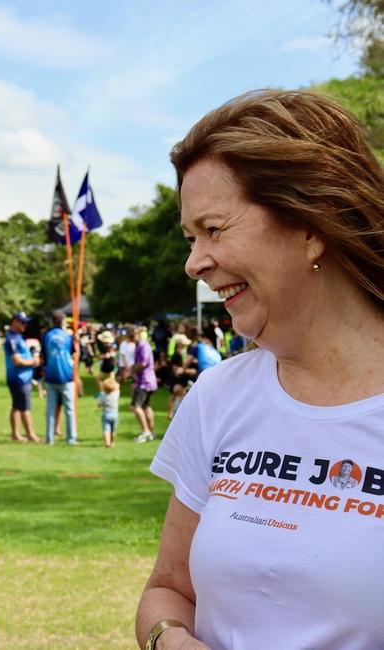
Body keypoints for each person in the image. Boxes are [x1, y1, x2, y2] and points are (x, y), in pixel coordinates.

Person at [136, 89, 384, 650]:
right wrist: (169, 640)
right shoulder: (218, 394)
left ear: (311, 224)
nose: (193, 262)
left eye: (214, 229)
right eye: (190, 237)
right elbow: (170, 589)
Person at [41, 310, 78, 445]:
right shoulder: (68, 336)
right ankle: (71, 439)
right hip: (66, 376)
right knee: (69, 409)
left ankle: (49, 438)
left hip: (51, 376)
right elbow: (73, 354)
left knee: (50, 409)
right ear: (62, 321)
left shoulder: (46, 336)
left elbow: (43, 356)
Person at [4, 311, 41, 443]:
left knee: (17, 406)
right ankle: (31, 434)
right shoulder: (12, 339)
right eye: (22, 322)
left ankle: (15, 434)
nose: (25, 325)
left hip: (21, 378)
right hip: (19, 379)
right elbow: (17, 361)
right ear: (14, 321)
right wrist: (33, 362)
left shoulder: (18, 337)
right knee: (25, 407)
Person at [130, 326, 158, 443]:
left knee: (136, 407)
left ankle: (146, 432)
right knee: (146, 406)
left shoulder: (142, 345)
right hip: (149, 381)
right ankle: (151, 432)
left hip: (144, 382)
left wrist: (132, 370)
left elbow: (143, 363)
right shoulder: (142, 345)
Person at [97, 375, 120, 448]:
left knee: (106, 429)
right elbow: (118, 386)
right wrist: (113, 381)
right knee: (113, 430)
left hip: (106, 414)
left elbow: (99, 404)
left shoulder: (102, 395)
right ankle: (112, 442)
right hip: (115, 415)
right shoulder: (116, 394)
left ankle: (107, 443)